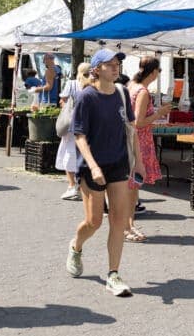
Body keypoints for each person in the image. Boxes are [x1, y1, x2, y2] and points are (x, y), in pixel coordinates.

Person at [65, 49, 144, 297]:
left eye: (116, 64)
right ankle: (76, 246)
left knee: (118, 221)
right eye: (109, 64)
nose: (115, 68)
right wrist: (93, 165)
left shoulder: (121, 93)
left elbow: (132, 130)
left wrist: (139, 162)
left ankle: (113, 274)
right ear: (96, 69)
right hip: (93, 166)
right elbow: (79, 135)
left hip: (118, 163)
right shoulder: (87, 97)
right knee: (94, 222)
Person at [127, 56, 173, 238]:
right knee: (133, 186)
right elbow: (139, 122)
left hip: (129, 138)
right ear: (153, 72)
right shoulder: (143, 91)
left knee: (131, 185)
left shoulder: (131, 86)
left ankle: (128, 225)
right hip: (139, 140)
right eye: (158, 72)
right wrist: (159, 113)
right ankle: (128, 227)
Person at [56, 63, 91, 200]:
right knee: (83, 154)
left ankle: (72, 186)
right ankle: (82, 186)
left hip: (72, 125)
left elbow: (63, 102)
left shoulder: (71, 84)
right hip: (87, 124)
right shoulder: (93, 84)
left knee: (69, 153)